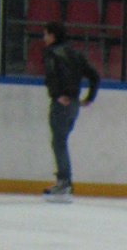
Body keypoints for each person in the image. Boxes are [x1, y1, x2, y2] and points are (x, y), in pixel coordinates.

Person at [39, 21, 99, 201]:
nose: (44, 38)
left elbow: (52, 76)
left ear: (53, 36)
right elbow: (94, 76)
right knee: (61, 141)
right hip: (73, 105)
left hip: (61, 104)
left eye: (46, 34)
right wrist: (89, 98)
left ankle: (64, 183)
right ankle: (64, 182)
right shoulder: (75, 53)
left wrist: (57, 94)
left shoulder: (52, 53)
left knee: (58, 142)